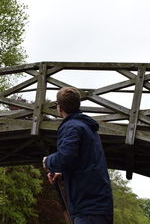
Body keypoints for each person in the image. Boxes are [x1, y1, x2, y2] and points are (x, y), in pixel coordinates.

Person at [43, 87, 113, 224]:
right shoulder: (87, 127)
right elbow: (85, 163)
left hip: (88, 209)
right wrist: (63, 175)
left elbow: (65, 157)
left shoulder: (71, 127)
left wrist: (48, 161)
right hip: (97, 207)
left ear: (59, 107)